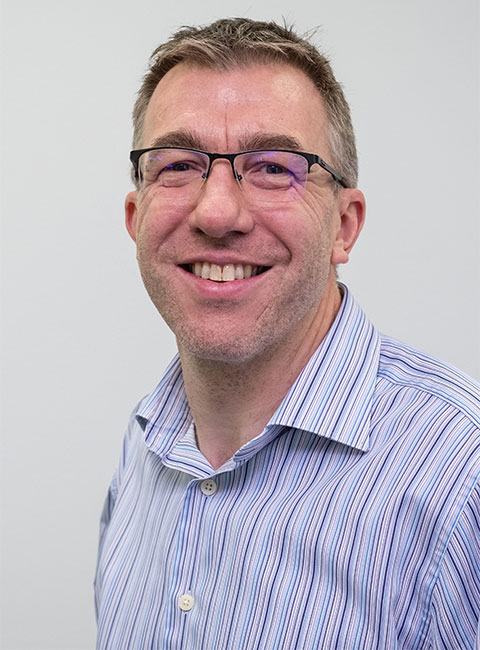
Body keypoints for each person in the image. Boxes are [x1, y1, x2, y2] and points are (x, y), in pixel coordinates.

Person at [94, 18, 480, 649]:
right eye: (179, 165)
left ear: (344, 226)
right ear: (136, 219)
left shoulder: (463, 485)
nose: (217, 212)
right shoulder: (141, 447)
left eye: (274, 167)